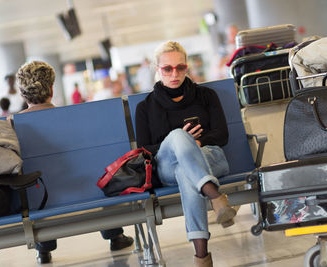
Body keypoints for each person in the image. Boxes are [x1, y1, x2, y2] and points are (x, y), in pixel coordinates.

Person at [16, 61, 134, 264]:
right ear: (52, 88)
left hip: (42, 200)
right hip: (91, 192)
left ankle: (43, 248)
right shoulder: (77, 117)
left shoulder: (14, 127)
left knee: (37, 189)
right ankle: (115, 236)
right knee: (97, 174)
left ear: (22, 94)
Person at [135, 41, 237, 267]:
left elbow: (222, 135)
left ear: (187, 67)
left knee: (186, 169)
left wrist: (196, 143)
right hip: (167, 166)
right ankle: (214, 196)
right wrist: (179, 142)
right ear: (157, 69)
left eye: (180, 67)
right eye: (167, 69)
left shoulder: (206, 96)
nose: (175, 74)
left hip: (211, 157)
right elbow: (144, 149)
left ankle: (202, 256)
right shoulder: (145, 108)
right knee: (178, 137)